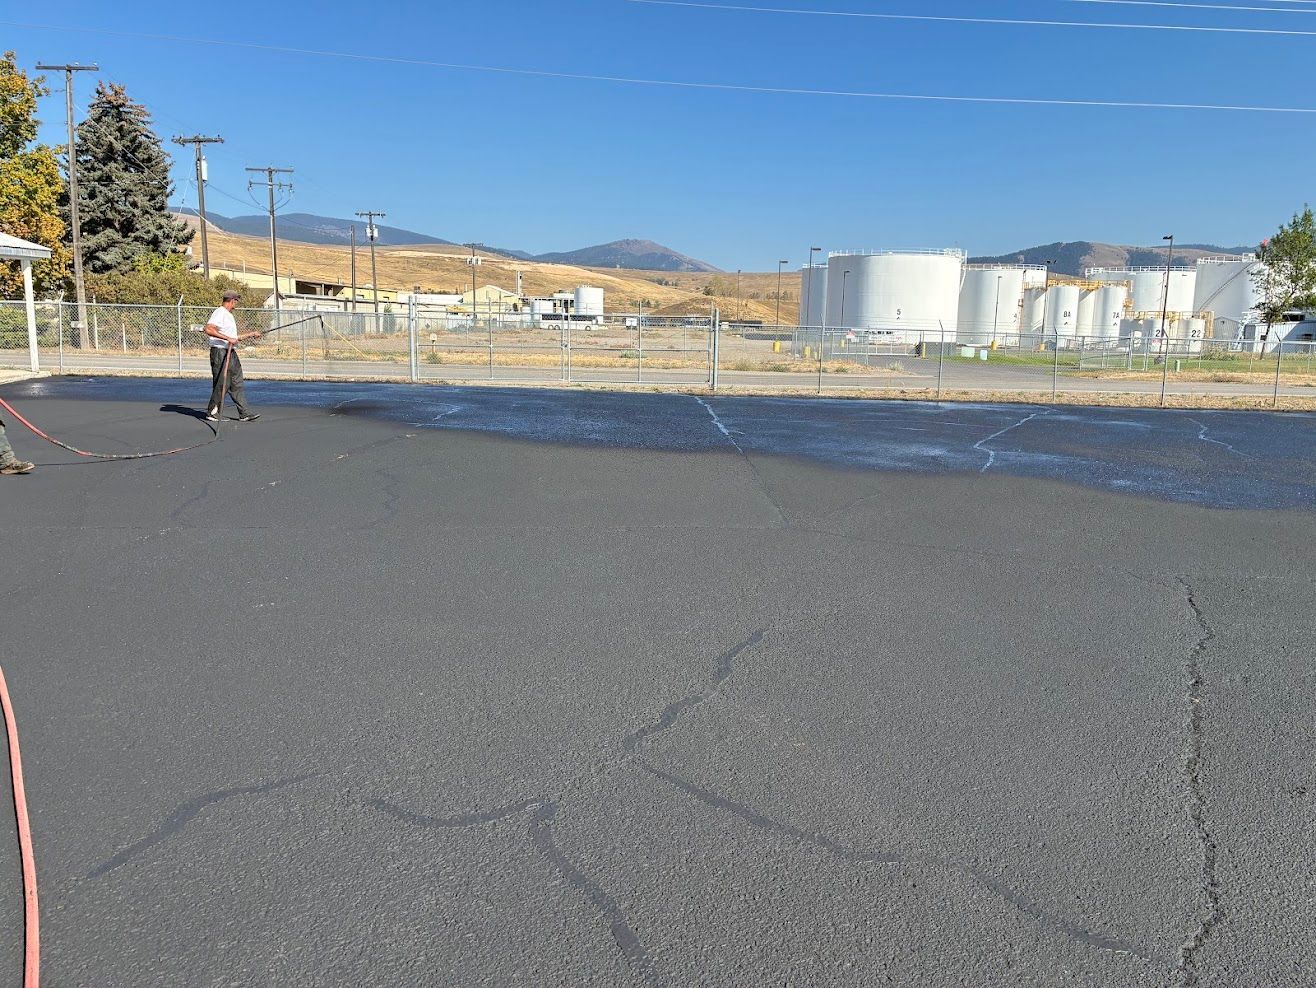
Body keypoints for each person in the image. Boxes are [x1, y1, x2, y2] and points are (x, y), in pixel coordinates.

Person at [203, 290, 261, 423]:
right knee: (222, 383)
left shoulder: (228, 315)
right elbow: (208, 329)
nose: (236, 304)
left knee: (236, 382)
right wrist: (227, 338)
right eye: (236, 301)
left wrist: (251, 334)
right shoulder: (220, 312)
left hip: (230, 351)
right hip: (220, 352)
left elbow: (233, 338)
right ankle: (212, 412)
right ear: (232, 300)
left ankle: (244, 413)